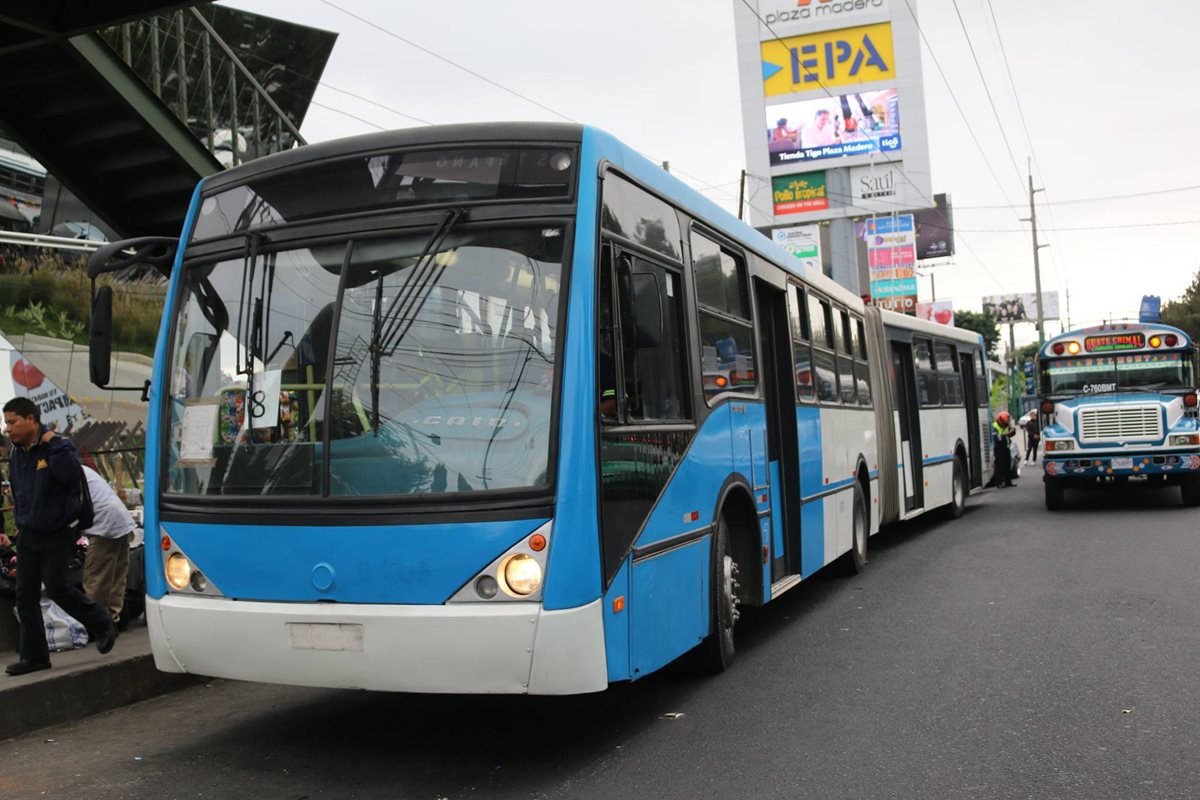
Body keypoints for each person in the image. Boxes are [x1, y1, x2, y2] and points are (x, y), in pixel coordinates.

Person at [3, 397, 116, 677]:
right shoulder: (17, 453)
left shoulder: (57, 446)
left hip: (58, 531)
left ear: (31, 420)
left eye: (13, 422)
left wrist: (53, 443)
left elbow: (68, 476)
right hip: (29, 533)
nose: (8, 429)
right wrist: (20, 523)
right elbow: (20, 491)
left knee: (57, 588)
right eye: (6, 423)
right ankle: (35, 656)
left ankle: (101, 622)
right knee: (25, 596)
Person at [81, 466, 137, 632]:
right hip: (119, 519)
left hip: (104, 524)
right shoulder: (81, 469)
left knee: (96, 579)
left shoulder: (64, 472)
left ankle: (97, 626)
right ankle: (112, 621)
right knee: (115, 580)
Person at [992, 411, 1016, 488]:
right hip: (998, 448)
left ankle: (1008, 481)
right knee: (1000, 466)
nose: (1006, 425)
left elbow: (1010, 433)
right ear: (1000, 421)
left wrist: (1013, 432)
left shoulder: (1006, 425)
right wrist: (1006, 435)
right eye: (1005, 423)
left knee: (1007, 465)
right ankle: (999, 482)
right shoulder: (995, 427)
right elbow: (996, 439)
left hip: (1006, 447)